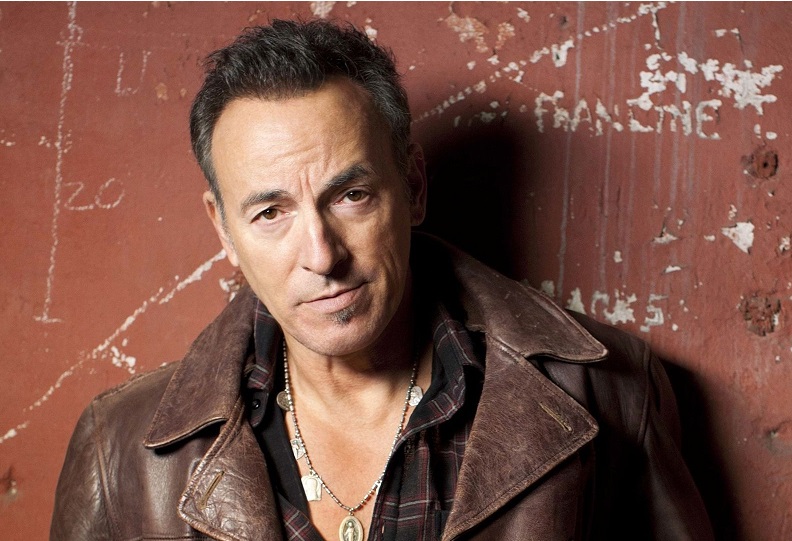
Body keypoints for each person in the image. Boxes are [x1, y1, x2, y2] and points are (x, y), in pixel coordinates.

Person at [51, 19, 713, 541]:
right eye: (270, 212)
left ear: (414, 187)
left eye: (351, 196)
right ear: (223, 229)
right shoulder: (122, 452)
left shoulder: (608, 393)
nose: (321, 255)